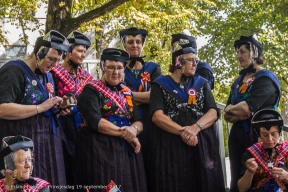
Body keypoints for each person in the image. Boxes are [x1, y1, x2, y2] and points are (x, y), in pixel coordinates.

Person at [148, 36, 225, 191]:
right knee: (173, 181)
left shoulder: (201, 83)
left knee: (203, 180)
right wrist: (183, 131)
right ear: (178, 62)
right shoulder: (160, 84)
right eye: (191, 60)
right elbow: (157, 116)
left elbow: (212, 111)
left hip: (201, 142)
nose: (195, 64)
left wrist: (195, 128)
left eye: (196, 60)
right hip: (170, 144)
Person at [0, 30, 71, 191]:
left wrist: (57, 108)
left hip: (47, 143)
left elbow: (45, 107)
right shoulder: (14, 71)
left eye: (58, 61)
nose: (54, 65)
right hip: (23, 143)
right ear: (39, 53)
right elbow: (2, 109)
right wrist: (41, 107)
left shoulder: (47, 74)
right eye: (51, 59)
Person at [73, 48, 147, 191]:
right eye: (111, 67)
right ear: (102, 67)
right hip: (99, 149)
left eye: (119, 68)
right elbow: (95, 121)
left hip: (125, 150)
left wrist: (133, 129)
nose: (116, 72)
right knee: (107, 185)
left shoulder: (127, 92)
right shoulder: (90, 90)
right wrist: (125, 133)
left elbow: (138, 120)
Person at [224, 35, 281, 192]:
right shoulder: (238, 80)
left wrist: (234, 109)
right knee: (237, 176)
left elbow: (247, 108)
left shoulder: (266, 78)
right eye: (237, 52)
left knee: (259, 178)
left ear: (254, 53)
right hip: (237, 136)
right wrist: (231, 110)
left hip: (260, 136)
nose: (238, 56)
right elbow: (227, 114)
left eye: (242, 51)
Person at [50, 31, 93, 189]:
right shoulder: (53, 73)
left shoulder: (86, 77)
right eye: (80, 51)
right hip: (61, 126)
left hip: (81, 128)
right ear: (69, 52)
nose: (83, 55)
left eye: (84, 52)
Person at [119, 27, 162, 178]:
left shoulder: (153, 68)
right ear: (124, 45)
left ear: (143, 44)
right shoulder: (119, 68)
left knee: (152, 161)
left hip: (151, 122)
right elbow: (116, 96)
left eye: (138, 41)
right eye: (130, 42)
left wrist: (128, 94)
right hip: (128, 121)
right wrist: (143, 96)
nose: (135, 45)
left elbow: (155, 97)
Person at [238, 109, 288, 192]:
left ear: (279, 132)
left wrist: (286, 176)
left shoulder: (286, 150)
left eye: (273, 133)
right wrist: (249, 172)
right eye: (264, 134)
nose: (270, 139)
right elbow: (242, 189)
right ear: (259, 134)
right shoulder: (252, 153)